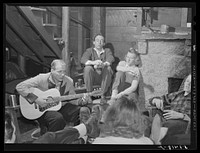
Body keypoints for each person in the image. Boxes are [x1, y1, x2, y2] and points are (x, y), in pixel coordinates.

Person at [16, 59, 91, 135]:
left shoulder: (68, 81)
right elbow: (20, 87)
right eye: (59, 71)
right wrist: (36, 99)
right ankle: (50, 139)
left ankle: (81, 136)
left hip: (61, 106)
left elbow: (72, 99)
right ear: (52, 70)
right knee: (57, 119)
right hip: (43, 110)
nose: (62, 74)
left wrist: (82, 101)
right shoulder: (41, 78)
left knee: (84, 110)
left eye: (64, 71)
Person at [148, 74, 191, 144]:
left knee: (163, 125)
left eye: (191, 83)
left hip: (184, 122)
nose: (188, 84)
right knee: (146, 121)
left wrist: (181, 116)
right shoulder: (177, 94)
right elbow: (152, 100)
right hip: (167, 118)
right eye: (187, 81)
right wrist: (156, 100)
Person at [81, 34, 115, 104]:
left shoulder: (107, 51)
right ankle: (89, 94)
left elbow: (111, 59)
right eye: (97, 41)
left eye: (101, 41)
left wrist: (103, 64)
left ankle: (103, 95)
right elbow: (83, 60)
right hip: (93, 77)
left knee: (108, 68)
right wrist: (94, 63)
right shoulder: (89, 51)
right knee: (87, 68)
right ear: (94, 42)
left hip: (104, 77)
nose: (99, 42)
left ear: (104, 43)